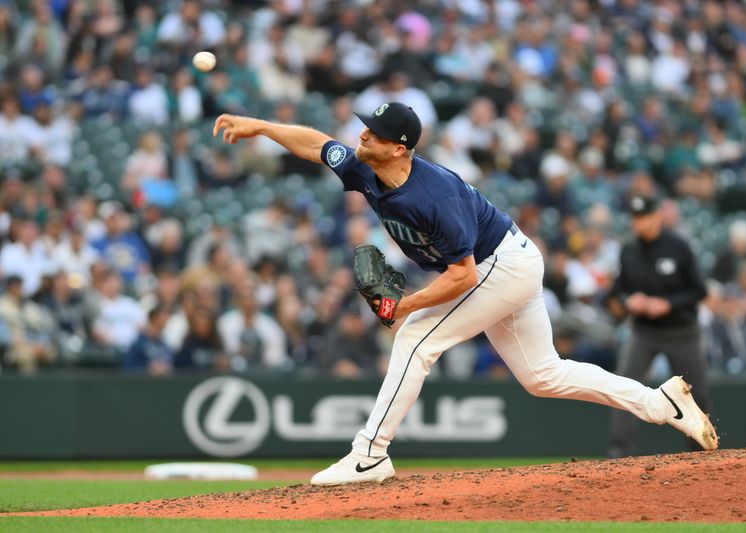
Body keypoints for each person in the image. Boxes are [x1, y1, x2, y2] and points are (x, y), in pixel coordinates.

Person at [213, 102, 718, 487]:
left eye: (377, 132)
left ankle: (370, 453)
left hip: (502, 264)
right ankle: (662, 403)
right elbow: (316, 144)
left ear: (399, 148)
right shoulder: (366, 165)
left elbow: (462, 276)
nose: (363, 133)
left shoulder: (434, 196)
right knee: (544, 375)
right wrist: (259, 126)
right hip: (508, 261)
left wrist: (403, 305)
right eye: (367, 126)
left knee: (415, 339)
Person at [607, 195, 713, 457]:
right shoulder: (629, 250)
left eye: (644, 217)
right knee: (624, 385)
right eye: (635, 218)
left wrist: (668, 304)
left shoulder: (678, 246)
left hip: (681, 331)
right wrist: (628, 299)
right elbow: (618, 289)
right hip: (644, 331)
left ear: (657, 217)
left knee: (695, 393)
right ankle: (619, 452)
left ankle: (701, 451)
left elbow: (699, 290)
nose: (639, 223)